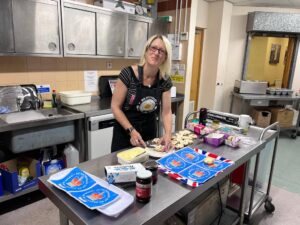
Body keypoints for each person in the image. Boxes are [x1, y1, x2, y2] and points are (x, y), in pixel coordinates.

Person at [111, 34, 173, 152]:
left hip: (149, 134)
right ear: (146, 50)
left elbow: (166, 112)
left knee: (148, 167)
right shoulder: (128, 74)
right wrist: (131, 131)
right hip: (125, 133)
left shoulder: (164, 80)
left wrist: (168, 134)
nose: (156, 53)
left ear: (165, 57)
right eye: (153, 48)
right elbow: (115, 107)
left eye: (161, 51)